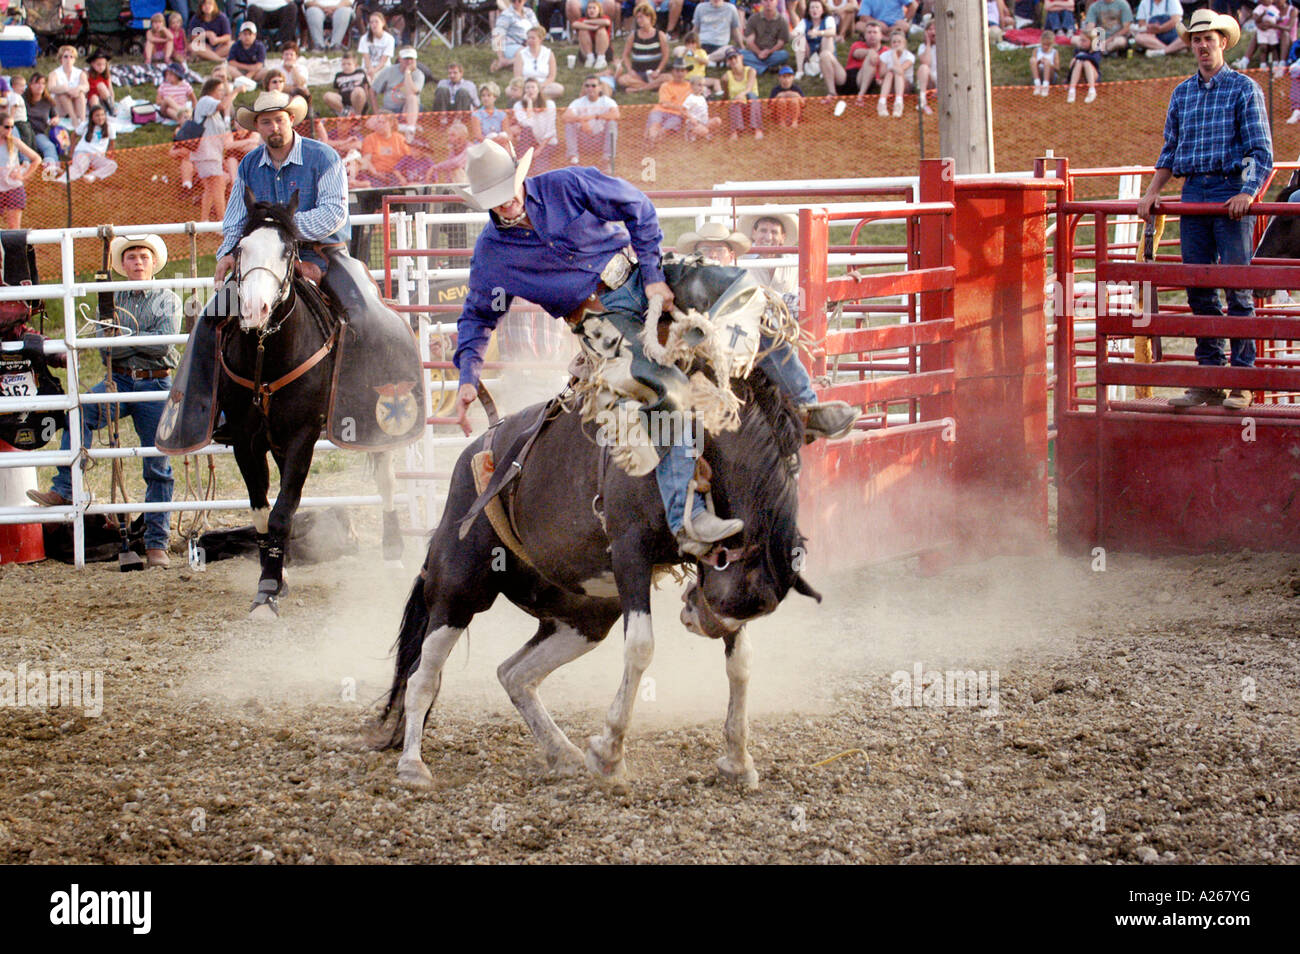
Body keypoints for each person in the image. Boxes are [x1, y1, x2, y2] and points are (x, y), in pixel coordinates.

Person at [449, 142, 856, 555]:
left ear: (520, 178)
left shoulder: (566, 185)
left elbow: (637, 206)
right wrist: (468, 375)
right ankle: (687, 516)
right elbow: (478, 316)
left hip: (642, 274)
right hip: (599, 320)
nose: (508, 204)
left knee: (748, 294)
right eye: (496, 201)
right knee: (665, 389)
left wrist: (652, 275)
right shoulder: (492, 255)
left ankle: (804, 409)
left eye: (510, 192)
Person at [1136, 9, 1272, 411]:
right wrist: (1151, 193)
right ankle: (1210, 379)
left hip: (1229, 191)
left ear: (1222, 43)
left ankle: (1241, 383)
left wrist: (1247, 192)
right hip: (1195, 191)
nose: (1201, 46)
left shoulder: (1244, 89)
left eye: (1208, 39)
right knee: (1198, 286)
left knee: (1236, 288)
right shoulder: (1182, 93)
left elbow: (1261, 152)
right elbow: (1170, 150)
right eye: (1195, 40)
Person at [28, 234, 180, 569]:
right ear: (123, 265)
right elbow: (104, 346)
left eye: (143, 256)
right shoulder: (109, 298)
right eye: (131, 257)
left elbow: (162, 345)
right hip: (120, 378)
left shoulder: (168, 297)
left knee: (158, 464)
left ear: (153, 262)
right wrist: (136, 341)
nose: (138, 262)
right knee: (80, 411)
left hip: (155, 382)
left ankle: (157, 544)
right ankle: (66, 488)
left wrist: (124, 339)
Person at [194, 77, 233, 222]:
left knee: (211, 188)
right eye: (220, 90)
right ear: (212, 90)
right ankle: (222, 223)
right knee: (218, 186)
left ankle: (204, 222)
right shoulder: (206, 101)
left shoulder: (213, 111)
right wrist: (235, 91)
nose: (222, 93)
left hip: (212, 153)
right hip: (206, 153)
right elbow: (224, 104)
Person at [563, 74, 619, 168]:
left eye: (593, 86)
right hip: (583, 141)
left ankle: (607, 159)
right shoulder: (578, 102)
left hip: (600, 141)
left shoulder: (607, 101)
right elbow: (565, 117)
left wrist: (595, 116)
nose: (590, 88)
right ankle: (573, 158)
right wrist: (582, 121)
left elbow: (616, 115)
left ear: (600, 88)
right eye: (587, 86)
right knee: (569, 124)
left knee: (612, 123)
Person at [739, 211, 797, 296]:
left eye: (774, 232)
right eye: (763, 231)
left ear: (782, 237)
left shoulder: (795, 263)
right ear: (754, 234)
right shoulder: (739, 263)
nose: (768, 238)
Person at [617, 3, 671, 90]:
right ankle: (651, 86)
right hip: (639, 73)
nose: (639, 20)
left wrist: (658, 70)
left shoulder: (660, 35)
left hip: (654, 73)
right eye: (637, 18)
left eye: (641, 17)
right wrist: (630, 70)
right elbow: (625, 55)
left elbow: (666, 56)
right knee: (622, 79)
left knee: (669, 78)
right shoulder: (633, 35)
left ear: (649, 17)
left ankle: (639, 89)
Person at [0, 111, 40, 229]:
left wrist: (23, 176)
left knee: (14, 227)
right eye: (7, 127)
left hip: (13, 186)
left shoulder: (14, 141)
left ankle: (15, 248)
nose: (10, 130)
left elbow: (36, 159)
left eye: (12, 127)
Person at [372, 47, 425, 132]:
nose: (409, 61)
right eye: (406, 59)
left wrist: (407, 72)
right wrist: (376, 112)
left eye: (411, 59)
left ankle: (410, 128)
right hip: (389, 110)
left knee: (412, 97)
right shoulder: (389, 71)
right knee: (370, 124)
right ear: (400, 59)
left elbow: (413, 91)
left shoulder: (419, 74)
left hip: (410, 110)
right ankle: (399, 126)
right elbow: (373, 90)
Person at [512, 77, 559, 171]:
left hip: (546, 142)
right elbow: (527, 124)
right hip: (530, 141)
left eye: (533, 87)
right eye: (527, 88)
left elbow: (551, 130)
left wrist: (539, 150)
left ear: (538, 90)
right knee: (526, 130)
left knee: (539, 166)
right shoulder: (518, 105)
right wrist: (529, 104)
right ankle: (521, 162)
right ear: (524, 91)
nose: (530, 90)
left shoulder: (550, 104)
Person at [510, 26, 566, 102]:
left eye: (533, 38)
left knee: (559, 89)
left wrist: (540, 86)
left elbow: (551, 76)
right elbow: (517, 76)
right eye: (528, 38)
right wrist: (528, 87)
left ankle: (535, 96)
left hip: (543, 85)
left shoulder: (548, 53)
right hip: (525, 85)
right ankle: (535, 96)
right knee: (509, 90)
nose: (529, 40)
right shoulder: (521, 54)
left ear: (540, 39)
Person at [67, 102, 116, 183]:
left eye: (102, 115)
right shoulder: (85, 125)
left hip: (97, 156)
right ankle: (64, 180)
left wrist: (109, 155)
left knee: (112, 165)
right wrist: (71, 152)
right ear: (92, 117)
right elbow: (73, 135)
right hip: (83, 152)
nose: (100, 118)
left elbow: (112, 144)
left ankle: (92, 175)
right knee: (79, 167)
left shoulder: (110, 127)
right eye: (97, 115)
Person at [646, 57, 691, 144]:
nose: (680, 73)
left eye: (682, 71)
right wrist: (680, 107)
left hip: (676, 115)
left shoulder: (691, 87)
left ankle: (653, 141)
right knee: (655, 125)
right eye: (677, 71)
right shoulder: (665, 85)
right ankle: (651, 142)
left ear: (686, 72)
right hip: (660, 111)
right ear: (672, 71)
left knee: (665, 130)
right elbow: (664, 104)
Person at [722, 46, 762, 139]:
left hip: (750, 104)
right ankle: (735, 131)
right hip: (737, 107)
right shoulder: (726, 76)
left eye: (735, 57)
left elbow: (749, 88)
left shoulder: (751, 71)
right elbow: (726, 95)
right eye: (730, 58)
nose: (733, 60)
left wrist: (741, 95)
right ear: (728, 61)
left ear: (741, 57)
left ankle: (757, 129)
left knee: (751, 95)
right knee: (735, 101)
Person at [492, 0, 542, 72]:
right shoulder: (506, 15)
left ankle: (507, 63)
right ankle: (507, 62)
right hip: (512, 45)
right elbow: (497, 35)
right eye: (513, 1)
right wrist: (501, 57)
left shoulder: (529, 12)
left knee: (539, 54)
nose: (516, 2)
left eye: (519, 0)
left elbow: (538, 30)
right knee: (526, 53)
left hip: (529, 43)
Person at [744, 0, 791, 74]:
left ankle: (757, 66)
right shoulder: (753, 19)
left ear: (776, 2)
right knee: (739, 54)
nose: (768, 3)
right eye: (766, 1)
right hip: (755, 53)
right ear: (762, 2)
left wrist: (769, 52)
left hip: (773, 53)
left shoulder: (782, 21)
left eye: (771, 1)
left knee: (784, 55)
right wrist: (759, 52)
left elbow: (780, 43)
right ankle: (766, 68)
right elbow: (750, 42)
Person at [22, 73, 59, 167]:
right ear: (30, 85)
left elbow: (55, 116)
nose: (40, 86)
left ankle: (50, 169)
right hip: (24, 134)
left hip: (39, 133)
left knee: (49, 146)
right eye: (37, 83)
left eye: (43, 83)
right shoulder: (22, 99)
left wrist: (54, 120)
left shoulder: (47, 101)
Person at [47, 46, 89, 126]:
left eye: (71, 57)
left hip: (76, 104)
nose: (68, 59)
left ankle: (83, 120)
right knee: (62, 94)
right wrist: (66, 89)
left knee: (80, 94)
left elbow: (86, 86)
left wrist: (78, 88)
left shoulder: (80, 73)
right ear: (61, 59)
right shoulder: (54, 74)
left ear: (74, 59)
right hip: (60, 106)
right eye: (65, 57)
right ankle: (74, 119)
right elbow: (50, 88)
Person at [877, 26, 912, 116]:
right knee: (890, 73)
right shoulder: (885, 55)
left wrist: (894, 56)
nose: (896, 44)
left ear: (904, 43)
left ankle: (899, 103)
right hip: (889, 83)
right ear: (890, 44)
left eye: (899, 42)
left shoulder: (909, 56)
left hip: (905, 84)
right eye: (894, 42)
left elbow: (900, 71)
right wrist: (891, 67)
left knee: (896, 73)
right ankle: (882, 102)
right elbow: (881, 73)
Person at [325, 50, 370, 116]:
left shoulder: (361, 73)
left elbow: (366, 89)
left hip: (357, 101)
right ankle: (346, 113)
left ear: (355, 65)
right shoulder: (339, 75)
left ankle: (358, 115)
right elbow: (337, 91)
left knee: (358, 91)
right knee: (327, 96)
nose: (346, 66)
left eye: (349, 64)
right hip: (344, 103)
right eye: (343, 64)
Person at [471, 80, 515, 147]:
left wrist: (503, 139)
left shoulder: (502, 115)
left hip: (500, 145)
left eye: (489, 95)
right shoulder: (476, 115)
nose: (485, 98)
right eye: (483, 96)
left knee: (505, 140)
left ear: (495, 97)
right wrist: (492, 141)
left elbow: (508, 134)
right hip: (483, 145)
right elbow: (478, 136)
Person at [1067, 24, 1103, 102]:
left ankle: (1092, 90)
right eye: (1080, 40)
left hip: (1092, 76)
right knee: (1079, 62)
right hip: (1080, 77)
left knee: (1086, 62)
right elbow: (1071, 65)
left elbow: (1094, 61)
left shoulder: (1096, 51)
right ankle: (1072, 90)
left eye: (1084, 40)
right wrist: (1078, 58)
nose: (1081, 42)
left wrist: (1080, 57)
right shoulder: (1078, 50)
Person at [574, 0, 613, 68]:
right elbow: (575, 24)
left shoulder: (604, 18)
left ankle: (601, 59)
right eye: (589, 8)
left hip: (604, 51)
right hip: (586, 52)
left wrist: (587, 22)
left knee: (601, 30)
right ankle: (590, 58)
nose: (591, 10)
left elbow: (607, 22)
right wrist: (593, 28)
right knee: (582, 31)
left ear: (599, 10)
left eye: (594, 8)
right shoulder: (584, 19)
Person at [359, 11, 395, 83]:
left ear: (383, 23)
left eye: (376, 22)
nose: (374, 24)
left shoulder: (389, 39)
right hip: (367, 67)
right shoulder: (364, 38)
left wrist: (374, 71)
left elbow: (383, 61)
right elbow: (366, 58)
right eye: (371, 22)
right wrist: (370, 69)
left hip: (382, 67)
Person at [682, 74, 721, 138]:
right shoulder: (690, 98)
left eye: (703, 85)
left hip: (703, 122)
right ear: (692, 86)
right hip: (694, 123)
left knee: (717, 120)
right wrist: (692, 119)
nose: (702, 87)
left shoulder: (702, 98)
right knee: (704, 131)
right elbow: (684, 111)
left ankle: (704, 133)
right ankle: (692, 134)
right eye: (699, 85)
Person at [914, 15, 937, 110]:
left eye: (935, 29)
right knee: (923, 67)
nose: (932, 31)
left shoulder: (946, 45)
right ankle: (922, 99)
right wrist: (928, 43)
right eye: (929, 29)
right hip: (931, 79)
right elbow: (926, 62)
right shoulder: (922, 47)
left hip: (942, 80)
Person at [1031, 28, 1059, 95]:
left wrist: (1048, 63)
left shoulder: (1054, 52)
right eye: (1044, 44)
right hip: (1039, 72)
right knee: (1032, 60)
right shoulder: (1036, 50)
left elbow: (1057, 68)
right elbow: (1034, 64)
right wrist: (1039, 62)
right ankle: (1037, 83)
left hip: (1050, 74)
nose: (1045, 47)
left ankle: (1045, 86)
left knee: (1047, 62)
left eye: (1048, 45)